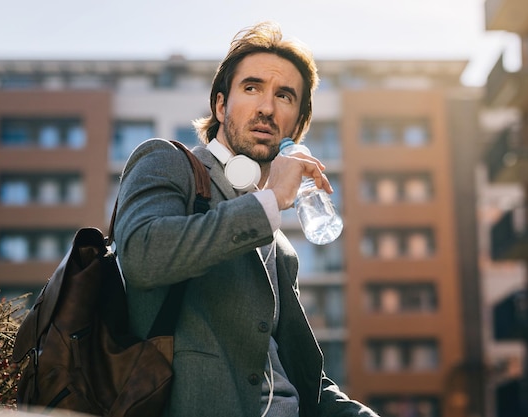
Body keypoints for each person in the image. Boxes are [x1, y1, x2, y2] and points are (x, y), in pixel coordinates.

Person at [114, 21, 379, 417]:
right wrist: (271, 202)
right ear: (221, 105)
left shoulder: (279, 246)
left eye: (284, 96)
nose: (267, 108)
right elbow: (142, 255)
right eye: (251, 88)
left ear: (297, 126)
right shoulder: (167, 161)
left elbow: (297, 373)